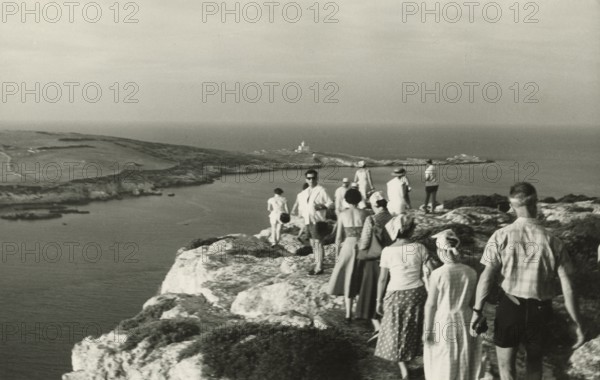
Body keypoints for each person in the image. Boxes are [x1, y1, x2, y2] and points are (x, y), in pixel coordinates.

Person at [471, 182, 585, 380]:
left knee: (506, 368)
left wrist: (477, 310)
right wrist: (578, 323)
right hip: (540, 310)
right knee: (534, 365)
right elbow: (569, 289)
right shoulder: (553, 241)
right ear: (536, 203)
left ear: (512, 206)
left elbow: (487, 276)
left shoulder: (500, 236)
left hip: (510, 307)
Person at [375, 213, 433, 380]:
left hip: (396, 294)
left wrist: (378, 300)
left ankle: (404, 370)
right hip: (418, 292)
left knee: (397, 331)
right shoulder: (420, 248)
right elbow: (431, 269)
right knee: (417, 326)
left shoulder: (387, 251)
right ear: (411, 230)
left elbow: (382, 279)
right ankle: (423, 361)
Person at [423, 229, 482, 380]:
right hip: (466, 316)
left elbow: (431, 305)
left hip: (444, 318)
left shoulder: (438, 274)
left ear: (441, 251)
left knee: (444, 356)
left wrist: (427, 329)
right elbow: (474, 299)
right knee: (464, 355)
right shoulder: (470, 271)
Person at [356, 191, 393, 341]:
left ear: (375, 205)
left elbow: (364, 242)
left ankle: (378, 327)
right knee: (387, 293)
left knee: (371, 292)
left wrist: (358, 247)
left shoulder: (371, 219)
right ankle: (388, 324)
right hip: (392, 261)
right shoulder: (394, 218)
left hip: (375, 261)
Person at [327, 188, 368, 320]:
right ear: (359, 199)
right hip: (362, 245)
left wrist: (337, 254)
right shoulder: (365, 213)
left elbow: (338, 237)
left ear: (346, 200)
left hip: (348, 246)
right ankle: (360, 310)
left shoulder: (343, 214)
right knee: (362, 277)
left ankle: (348, 313)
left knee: (348, 277)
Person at [299, 169, 334, 275]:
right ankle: (317, 262)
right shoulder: (304, 193)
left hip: (318, 220)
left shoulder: (321, 190)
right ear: (306, 179)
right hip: (308, 221)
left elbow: (331, 203)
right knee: (313, 243)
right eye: (309, 178)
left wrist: (322, 206)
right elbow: (302, 207)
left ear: (317, 178)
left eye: (313, 178)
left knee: (318, 243)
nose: (311, 180)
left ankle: (319, 267)